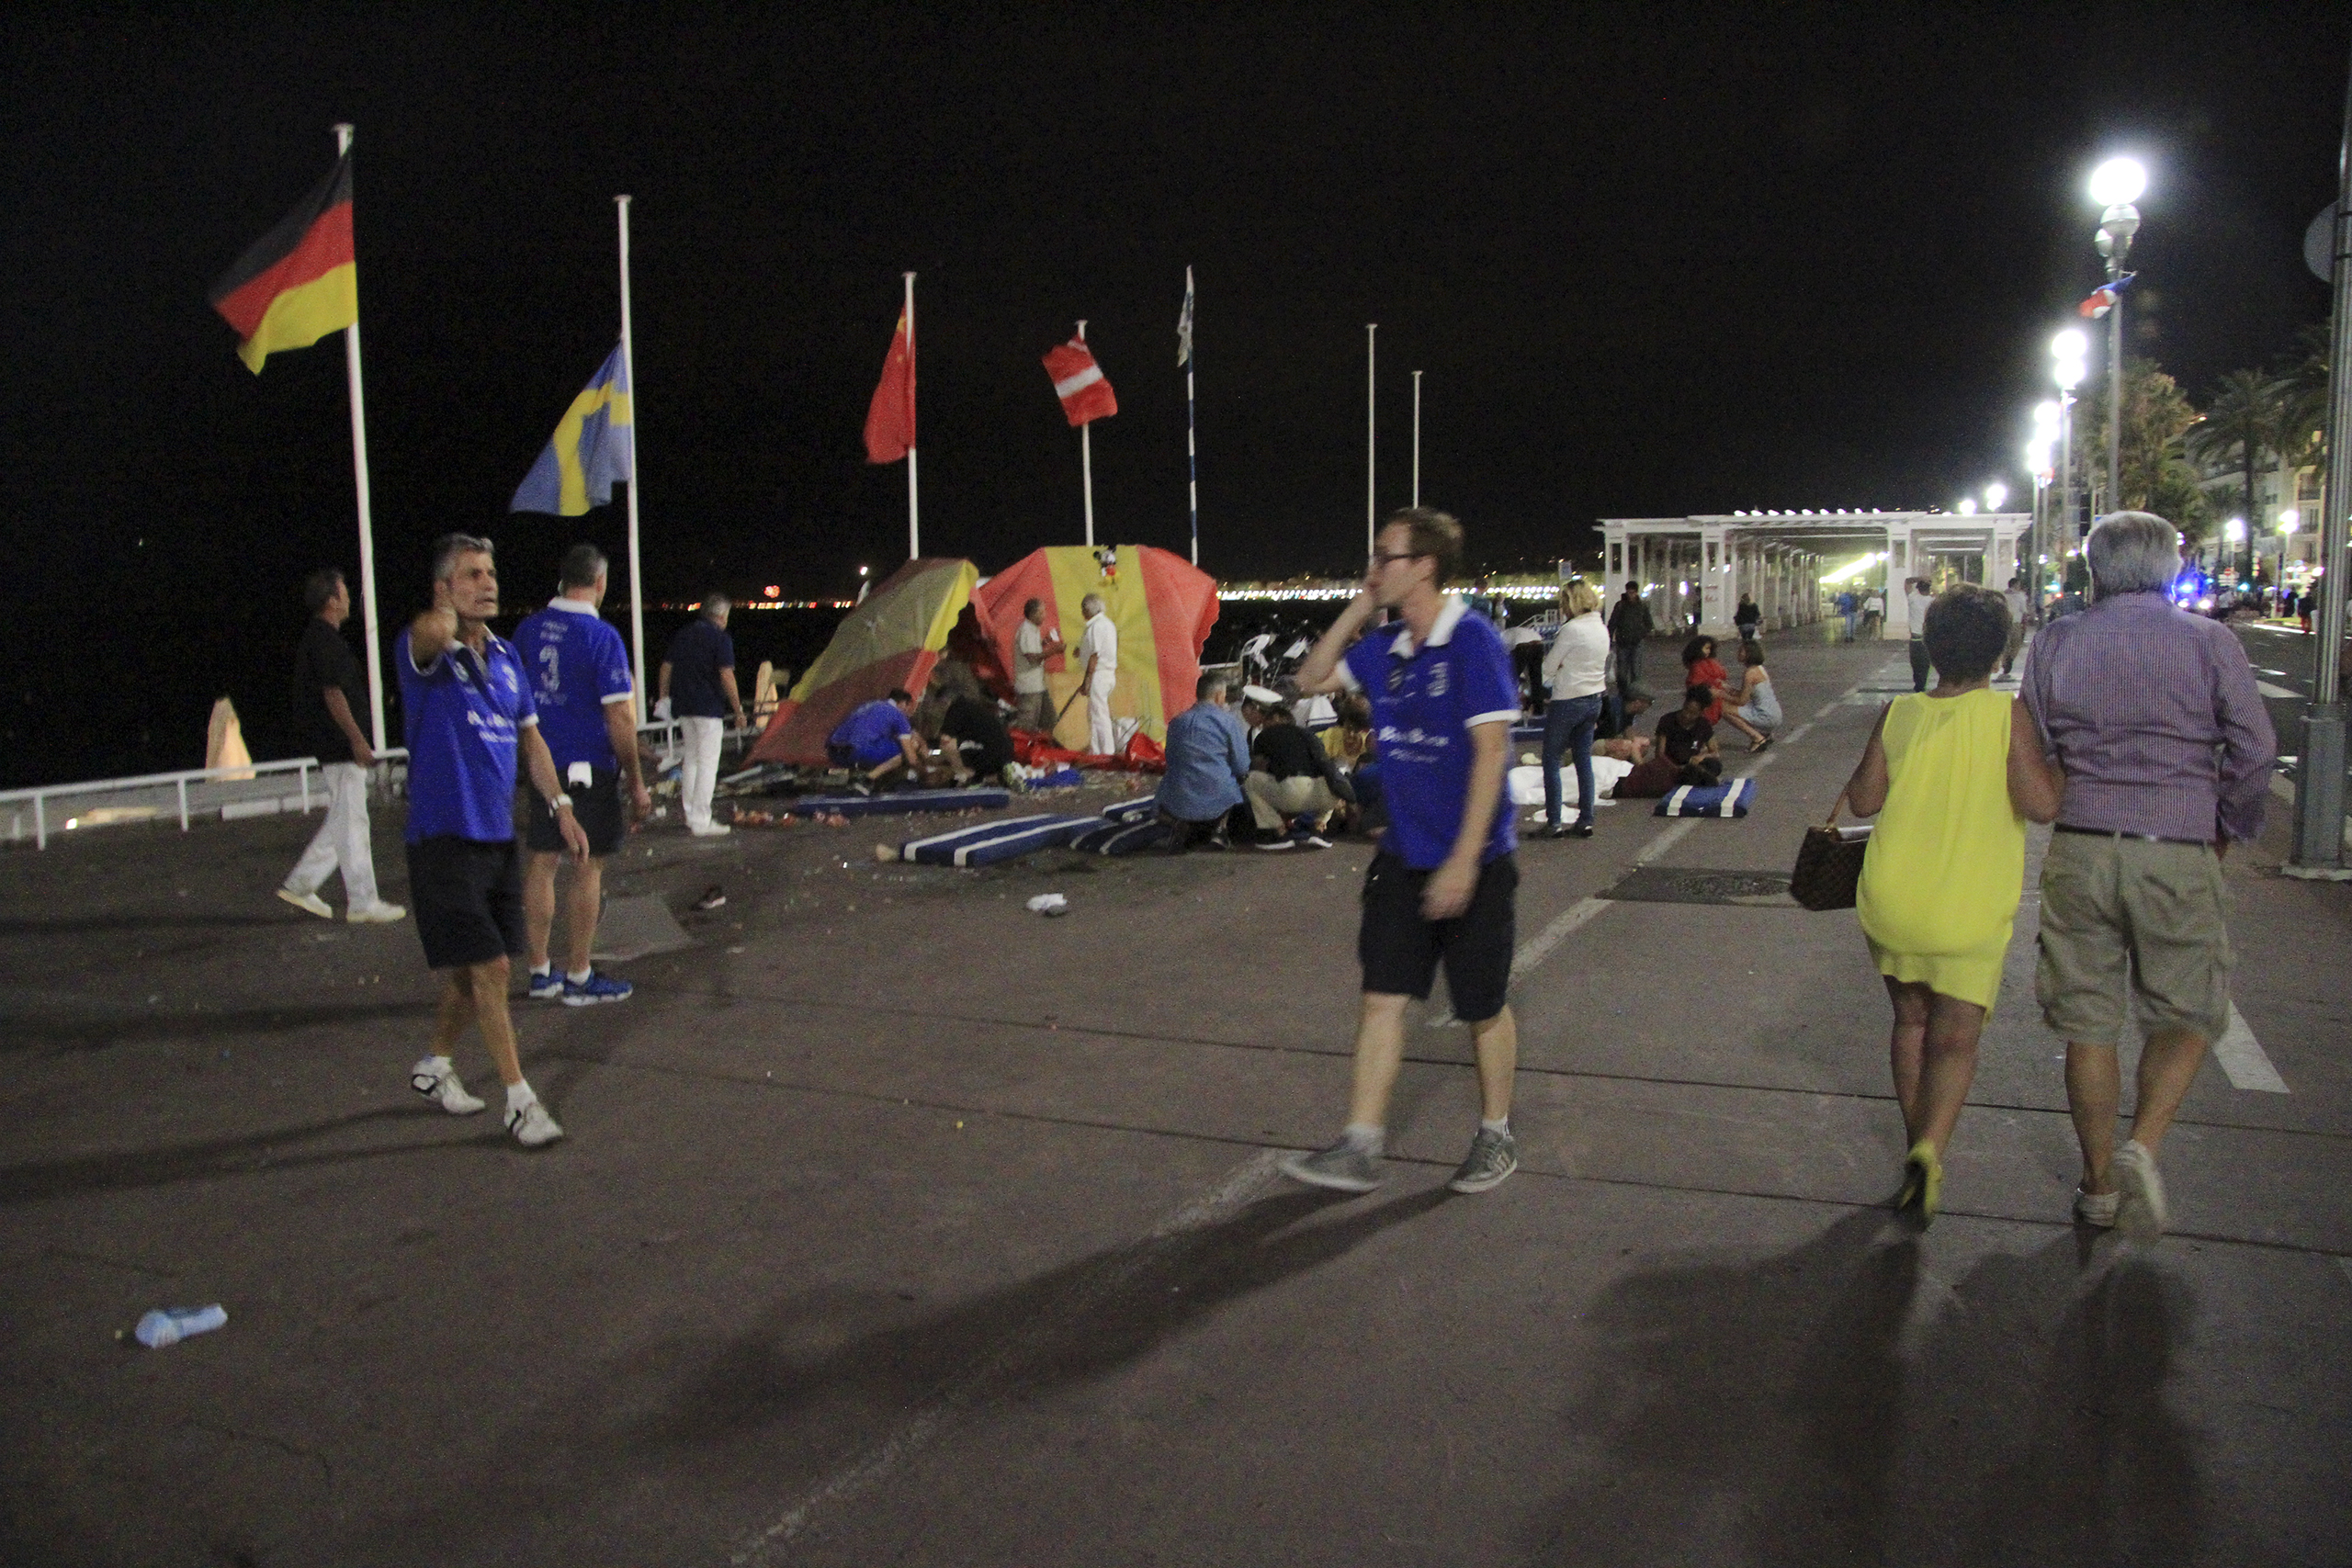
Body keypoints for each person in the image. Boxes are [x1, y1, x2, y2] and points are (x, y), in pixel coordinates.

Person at [2022, 511, 2276, 1240]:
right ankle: (2144, 1146)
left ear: (2094, 570)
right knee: (2188, 1011)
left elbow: (2031, 742)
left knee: (2087, 1022)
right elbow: (2256, 749)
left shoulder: (2059, 640)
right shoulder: (2209, 641)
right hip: (2177, 843)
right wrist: (2230, 822)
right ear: (2169, 568)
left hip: (2080, 847)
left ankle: (2098, 1186)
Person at [1283, 505, 1522, 1195]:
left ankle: (1496, 1132)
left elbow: (1490, 755)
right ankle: (1360, 1143)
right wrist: (1361, 602)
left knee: (1482, 1006)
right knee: (1383, 997)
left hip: (1473, 859)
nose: (1374, 566)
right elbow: (1309, 678)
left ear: (1424, 565)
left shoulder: (1472, 641)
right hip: (1402, 856)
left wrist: (1462, 861)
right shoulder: (1385, 648)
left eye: (1385, 557)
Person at [1844, 586, 2064, 1224]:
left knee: (1910, 1023)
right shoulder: (2009, 716)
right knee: (1956, 1040)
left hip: (1893, 897)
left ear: (1933, 647)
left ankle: (1917, 1143)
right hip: (1967, 904)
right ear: (1999, 651)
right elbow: (2041, 803)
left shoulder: (1899, 711)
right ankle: (1931, 1150)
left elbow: (1862, 801)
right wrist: (2067, 767)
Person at [398, 535, 586, 1149]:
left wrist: (560, 805)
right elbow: (425, 637)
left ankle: (434, 1064)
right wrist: (444, 615)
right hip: (443, 839)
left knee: (469, 974)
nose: (489, 582)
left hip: (496, 836)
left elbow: (531, 741)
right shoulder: (427, 652)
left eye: (492, 572)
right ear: (445, 588)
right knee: (494, 967)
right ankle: (520, 1101)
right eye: (473, 574)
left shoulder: (507, 658)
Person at [513, 544, 651, 1007]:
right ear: (599, 583)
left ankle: (539, 970)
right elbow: (619, 719)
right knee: (587, 868)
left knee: (541, 861)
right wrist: (635, 778)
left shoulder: (528, 631)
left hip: (542, 764)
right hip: (588, 768)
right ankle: (578, 973)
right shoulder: (602, 638)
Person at [278, 568, 405, 924]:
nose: (350, 597)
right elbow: (333, 694)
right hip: (338, 744)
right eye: (345, 591)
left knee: (345, 819)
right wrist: (357, 739)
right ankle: (363, 901)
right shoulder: (325, 642)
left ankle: (301, 884)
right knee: (351, 821)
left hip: (331, 743)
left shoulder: (319, 639)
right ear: (332, 600)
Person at [660, 593, 745, 836]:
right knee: (708, 763)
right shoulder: (721, 638)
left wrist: (665, 697)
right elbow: (727, 676)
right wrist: (738, 710)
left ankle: (690, 814)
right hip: (708, 709)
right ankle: (701, 820)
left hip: (684, 707)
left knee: (692, 760)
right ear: (720, 616)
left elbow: (666, 667)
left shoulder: (684, 634)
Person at [1540, 580, 1608, 840]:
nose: (1561, 607)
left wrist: (1553, 679)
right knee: (1583, 761)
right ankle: (1586, 819)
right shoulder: (1601, 628)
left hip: (1568, 699)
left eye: (1563, 602)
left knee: (1551, 759)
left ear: (1571, 603)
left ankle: (1554, 822)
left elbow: (1549, 666)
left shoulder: (1571, 630)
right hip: (1594, 699)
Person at [1158, 671, 1251, 850]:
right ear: (1218, 696)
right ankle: (1219, 830)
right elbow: (1242, 766)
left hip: (1178, 796)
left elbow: (1170, 760)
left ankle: (1180, 826)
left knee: (1171, 782)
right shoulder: (1228, 722)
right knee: (1235, 784)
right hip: (1217, 793)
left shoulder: (1177, 722)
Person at [1245, 705, 1351, 850]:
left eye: (1266, 721)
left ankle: (1278, 832)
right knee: (1333, 783)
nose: (1263, 725)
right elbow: (1326, 765)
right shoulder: (1310, 735)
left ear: (1276, 719)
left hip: (1291, 791)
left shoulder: (1265, 735)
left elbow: (1258, 768)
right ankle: (1318, 829)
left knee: (1251, 780)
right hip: (1323, 795)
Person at [1612, 684, 1723, 796]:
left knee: (1714, 766)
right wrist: (1677, 769)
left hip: (1690, 767)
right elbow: (1660, 754)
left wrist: (1701, 757)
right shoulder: (1667, 720)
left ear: (1701, 712)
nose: (1687, 716)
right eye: (1686, 710)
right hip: (1668, 767)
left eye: (1693, 714)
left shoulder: (1704, 725)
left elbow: (1714, 752)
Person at [932, 667, 1021, 787]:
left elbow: (945, 740)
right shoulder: (970, 706)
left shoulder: (955, 709)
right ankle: (990, 776)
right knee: (961, 746)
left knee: (948, 746)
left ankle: (964, 777)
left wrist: (937, 757)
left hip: (990, 756)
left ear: (944, 702)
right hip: (1006, 752)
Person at [828, 688, 923, 789]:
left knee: (875, 744)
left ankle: (854, 779)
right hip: (859, 752)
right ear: (904, 703)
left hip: (834, 753)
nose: (909, 711)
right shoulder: (898, 715)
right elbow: (911, 758)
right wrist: (924, 771)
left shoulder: (868, 705)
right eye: (910, 707)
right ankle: (868, 780)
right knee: (910, 746)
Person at [1716, 638, 1781, 751]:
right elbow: (1745, 693)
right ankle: (1764, 734)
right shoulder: (1758, 669)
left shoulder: (1750, 673)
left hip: (1765, 715)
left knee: (1722, 708)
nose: (1738, 653)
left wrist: (1720, 694)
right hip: (1773, 712)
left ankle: (1757, 738)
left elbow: (1742, 700)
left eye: (1742, 651)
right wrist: (1727, 688)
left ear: (1749, 654)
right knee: (1732, 706)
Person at [1012, 596, 1062, 732]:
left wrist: (1045, 642)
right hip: (1029, 687)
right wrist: (1054, 651)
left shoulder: (1033, 629)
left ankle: (1045, 748)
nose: (1044, 616)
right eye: (1042, 612)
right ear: (1033, 614)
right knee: (1026, 723)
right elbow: (1032, 658)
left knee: (1049, 720)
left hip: (1037, 684)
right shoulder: (1026, 631)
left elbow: (1033, 649)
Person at [1077, 592, 1118, 754]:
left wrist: (1087, 680)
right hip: (1106, 674)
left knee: (1100, 716)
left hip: (1098, 675)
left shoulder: (1095, 626)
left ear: (1087, 610)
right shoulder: (1108, 624)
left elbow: (1095, 656)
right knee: (1094, 715)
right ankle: (1095, 750)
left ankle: (1107, 752)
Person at [1608, 581, 1652, 706]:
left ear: (1636, 592)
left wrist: (1641, 634)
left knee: (1636, 672)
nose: (1631, 595)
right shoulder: (1620, 606)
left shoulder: (1642, 606)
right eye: (1629, 592)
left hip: (1637, 643)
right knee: (1621, 672)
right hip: (1622, 643)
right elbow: (1613, 623)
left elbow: (1649, 623)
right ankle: (1623, 694)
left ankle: (1633, 695)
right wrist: (1610, 638)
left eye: (1633, 592)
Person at [1681, 635, 1727, 725]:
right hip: (1706, 698)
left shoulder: (1700, 664)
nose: (1708, 651)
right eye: (1706, 648)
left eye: (1709, 649)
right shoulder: (1701, 665)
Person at [1905, 577, 1934, 692]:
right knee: (1925, 667)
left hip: (1915, 639)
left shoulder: (1912, 598)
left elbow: (1907, 581)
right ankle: (1921, 688)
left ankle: (1918, 688)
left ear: (1918, 588)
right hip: (1927, 639)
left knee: (1916, 667)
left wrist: (1920, 577)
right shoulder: (1933, 601)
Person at [2000, 576, 2030, 677]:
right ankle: (2010, 659)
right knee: (2016, 643)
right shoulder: (2020, 596)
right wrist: (2025, 624)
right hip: (2016, 623)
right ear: (2016, 585)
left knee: (2005, 644)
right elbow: (2024, 612)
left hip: (2004, 622)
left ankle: (2005, 662)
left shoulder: (2003, 596)